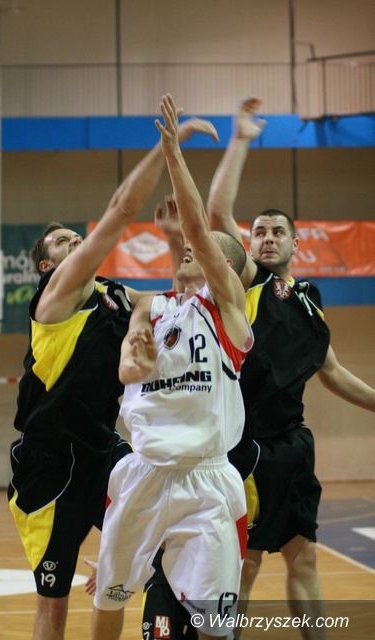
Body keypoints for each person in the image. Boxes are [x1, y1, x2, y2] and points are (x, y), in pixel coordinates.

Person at [141, 97, 375, 640]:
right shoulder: (245, 283)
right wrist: (242, 138)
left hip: (294, 446)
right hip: (246, 450)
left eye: (277, 232)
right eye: (260, 232)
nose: (267, 238)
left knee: (304, 558)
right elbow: (217, 213)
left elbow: (333, 373)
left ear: (296, 242)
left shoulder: (308, 300)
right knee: (241, 566)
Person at [7, 114, 219, 640]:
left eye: (75, 236)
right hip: (49, 462)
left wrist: (173, 239)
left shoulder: (116, 295)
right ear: (46, 266)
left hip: (105, 449)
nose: (75, 240)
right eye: (62, 241)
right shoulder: (54, 299)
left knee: (154, 554)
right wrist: (169, 146)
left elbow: (178, 301)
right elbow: (122, 208)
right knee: (53, 603)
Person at [91, 93, 254, 640]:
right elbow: (126, 373)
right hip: (143, 470)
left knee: (214, 624)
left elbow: (198, 229)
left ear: (225, 266)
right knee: (110, 596)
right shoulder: (153, 307)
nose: (189, 248)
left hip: (206, 480)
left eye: (202, 248)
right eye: (183, 247)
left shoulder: (227, 310)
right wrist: (133, 354)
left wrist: (173, 153)